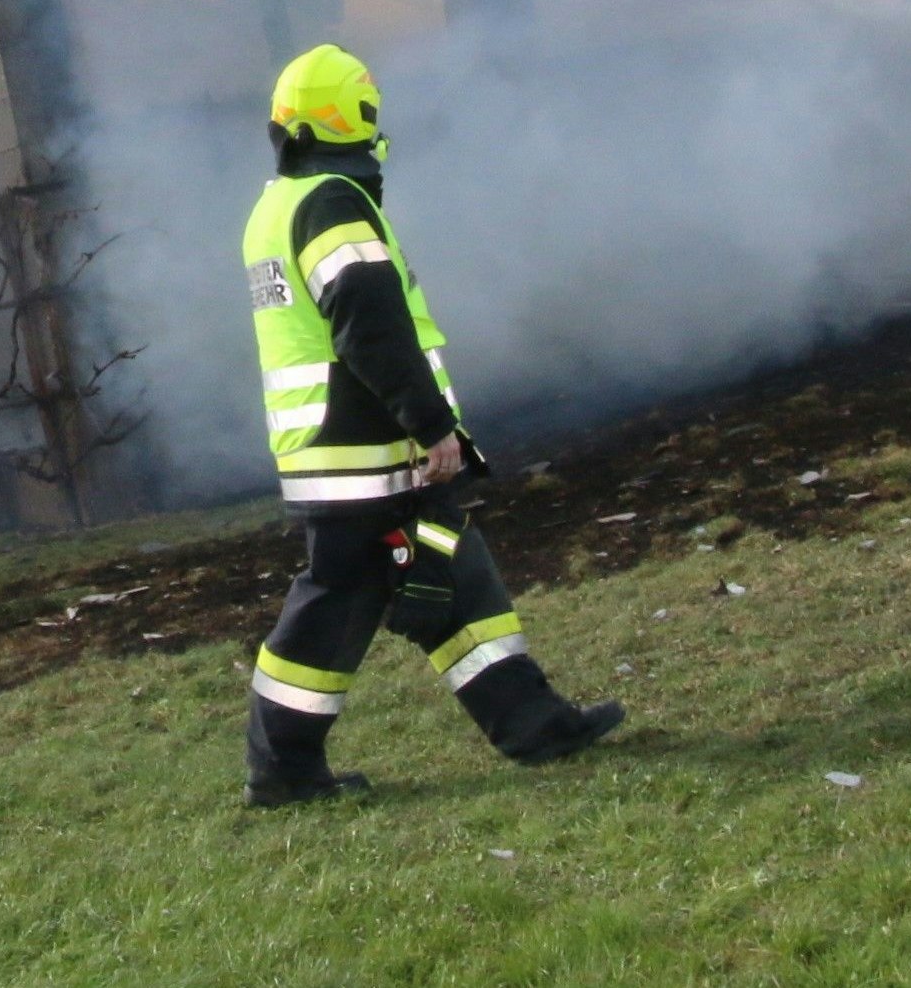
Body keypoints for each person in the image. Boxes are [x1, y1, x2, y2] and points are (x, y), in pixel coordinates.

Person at [235, 44, 625, 807]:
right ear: (360, 121)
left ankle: (535, 726)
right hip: (367, 454)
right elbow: (371, 328)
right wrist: (433, 427)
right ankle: (280, 770)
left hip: (337, 453)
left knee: (449, 571)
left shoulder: (273, 208)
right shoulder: (332, 202)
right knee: (333, 608)